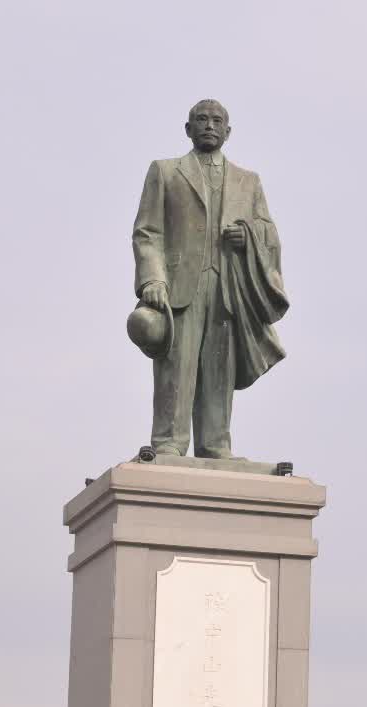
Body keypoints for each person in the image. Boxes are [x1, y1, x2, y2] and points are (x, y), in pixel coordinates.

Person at [130, 99, 287, 460]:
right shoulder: (165, 172)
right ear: (188, 128)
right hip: (180, 285)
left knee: (219, 367)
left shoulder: (249, 182)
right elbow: (147, 231)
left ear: (228, 132)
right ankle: (168, 442)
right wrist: (153, 279)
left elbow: (268, 231)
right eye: (201, 120)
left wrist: (249, 237)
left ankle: (216, 443)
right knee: (177, 365)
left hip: (228, 285)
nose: (209, 126)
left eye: (217, 121)